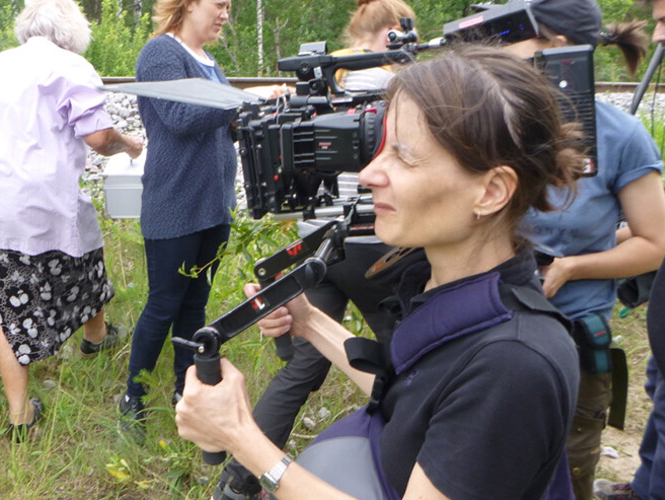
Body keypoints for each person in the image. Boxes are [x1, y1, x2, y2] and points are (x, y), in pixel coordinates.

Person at [175, 45, 584, 499]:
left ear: (490, 192)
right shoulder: (450, 287)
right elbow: (410, 394)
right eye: (379, 149)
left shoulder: (514, 364)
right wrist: (309, 322)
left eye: (404, 157)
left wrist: (241, 438)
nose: (369, 173)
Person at [213, 1, 413, 497]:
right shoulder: (394, 87)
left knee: (303, 365)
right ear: (390, 33)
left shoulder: (322, 84)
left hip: (317, 243)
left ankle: (238, 481)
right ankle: (414, 456)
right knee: (407, 359)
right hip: (374, 242)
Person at [498, 0, 665, 498]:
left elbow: (655, 244)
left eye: (516, 36)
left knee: (568, 474)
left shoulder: (621, 138)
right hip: (492, 335)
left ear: (556, 47)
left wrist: (571, 267)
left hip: (573, 341)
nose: (502, 50)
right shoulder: (494, 126)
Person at [0, 0, 143, 440]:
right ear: (72, 34)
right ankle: (85, 345)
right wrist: (129, 144)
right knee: (83, 255)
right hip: (44, 201)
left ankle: (29, 408)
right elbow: (98, 137)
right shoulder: (71, 66)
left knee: (11, 304)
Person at [118, 0, 285, 434]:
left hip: (214, 207)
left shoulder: (209, 63)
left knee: (195, 303)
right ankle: (132, 398)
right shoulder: (160, 54)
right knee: (164, 303)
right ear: (189, 4)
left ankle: (183, 389)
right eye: (220, 4)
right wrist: (243, 99)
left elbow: (222, 124)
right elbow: (180, 116)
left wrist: (255, 112)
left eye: (229, 6)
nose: (226, 13)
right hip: (174, 204)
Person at [594, 0, 665, 497]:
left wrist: (600, 242)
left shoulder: (621, 136)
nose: (656, 36)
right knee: (663, 387)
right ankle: (645, 485)